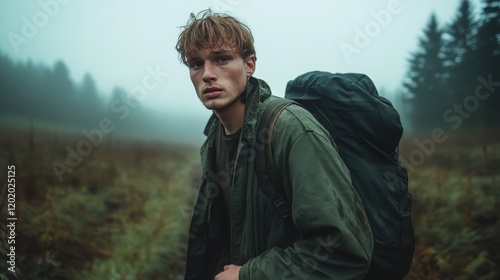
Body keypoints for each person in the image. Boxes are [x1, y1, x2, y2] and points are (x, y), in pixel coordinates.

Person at [175, 10, 374, 280]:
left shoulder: (292, 130)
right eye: (196, 63)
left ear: (250, 64)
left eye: (222, 59)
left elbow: (342, 250)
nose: (208, 74)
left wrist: (248, 274)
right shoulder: (215, 139)